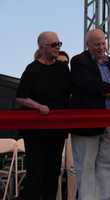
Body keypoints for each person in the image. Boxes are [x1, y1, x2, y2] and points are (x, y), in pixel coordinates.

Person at [70, 28, 110, 200]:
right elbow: (89, 84)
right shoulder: (78, 61)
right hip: (87, 124)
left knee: (107, 165)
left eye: (102, 43)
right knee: (86, 166)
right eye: (96, 44)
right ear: (87, 45)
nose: (100, 47)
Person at [16, 31, 71, 200]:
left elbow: (72, 92)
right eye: (54, 45)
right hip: (35, 131)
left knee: (53, 172)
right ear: (41, 47)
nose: (58, 48)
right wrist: (39, 107)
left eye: (59, 44)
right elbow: (20, 96)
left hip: (56, 129)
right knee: (36, 173)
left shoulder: (62, 68)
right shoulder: (32, 69)